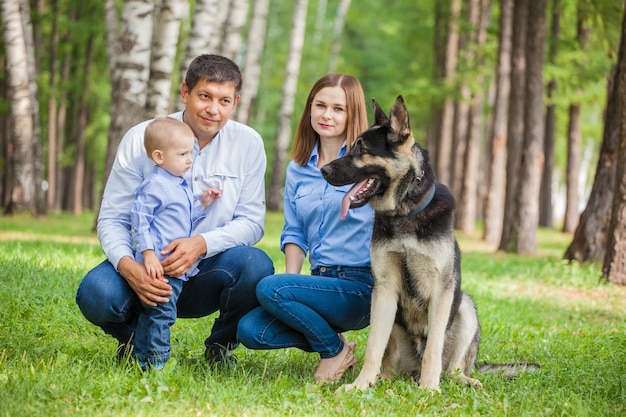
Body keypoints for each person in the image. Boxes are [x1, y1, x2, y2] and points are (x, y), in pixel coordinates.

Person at [76, 54, 274, 365]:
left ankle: (219, 348)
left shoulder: (248, 144)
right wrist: (129, 266)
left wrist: (200, 245)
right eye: (204, 96)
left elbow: (251, 222)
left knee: (256, 265)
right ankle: (135, 338)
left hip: (208, 268)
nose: (213, 109)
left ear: (234, 103)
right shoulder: (141, 138)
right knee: (96, 293)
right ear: (185, 92)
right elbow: (113, 217)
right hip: (148, 264)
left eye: (224, 100)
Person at [236, 74, 374, 383]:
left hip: (361, 287)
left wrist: (281, 290)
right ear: (309, 109)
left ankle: (331, 352)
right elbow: (294, 230)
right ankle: (337, 345)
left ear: (352, 115)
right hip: (319, 284)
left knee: (270, 287)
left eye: (338, 109)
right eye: (320, 105)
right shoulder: (298, 167)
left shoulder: (369, 167)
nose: (327, 115)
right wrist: (291, 286)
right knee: (251, 330)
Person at [131, 117, 221, 370]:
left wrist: (202, 202)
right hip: (160, 265)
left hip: (174, 265)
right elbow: (140, 220)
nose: (189, 159)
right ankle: (157, 365)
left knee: (154, 314)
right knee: (161, 315)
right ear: (159, 157)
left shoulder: (178, 185)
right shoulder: (155, 186)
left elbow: (184, 219)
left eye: (190, 152)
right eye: (182, 154)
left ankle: (140, 359)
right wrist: (147, 254)